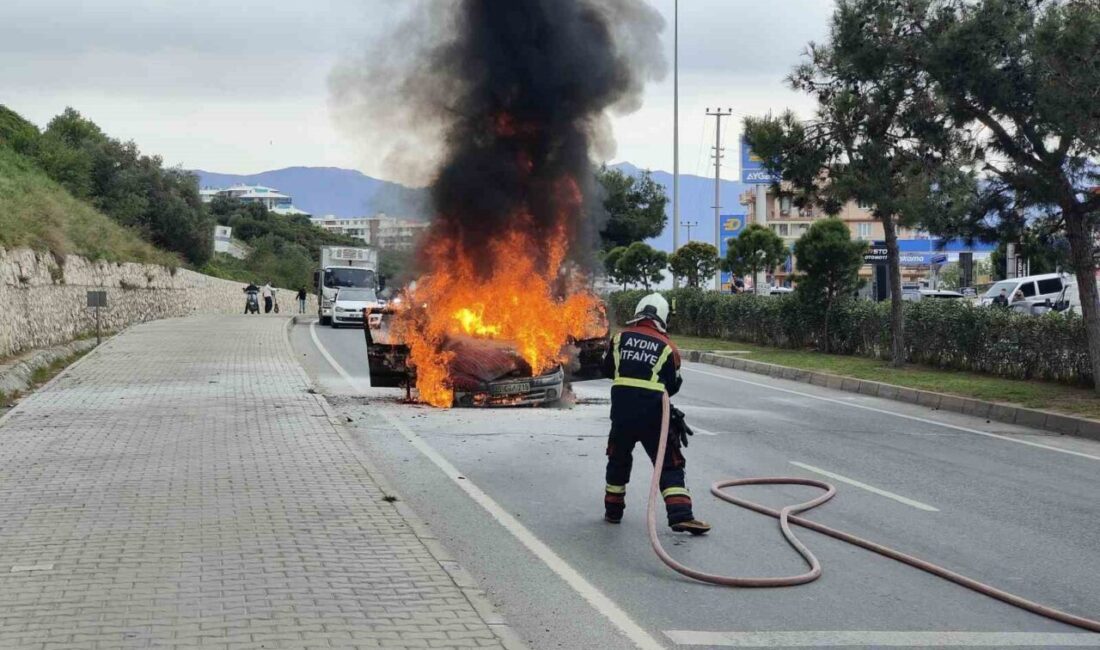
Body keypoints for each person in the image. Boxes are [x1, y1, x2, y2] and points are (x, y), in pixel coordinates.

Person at [600, 293, 711, 535]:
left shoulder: (619, 338)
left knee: (618, 458)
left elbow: (607, 369)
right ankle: (681, 515)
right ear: (662, 316)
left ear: (638, 312)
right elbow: (673, 386)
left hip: (621, 413)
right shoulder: (667, 347)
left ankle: (613, 511)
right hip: (653, 414)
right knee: (669, 462)